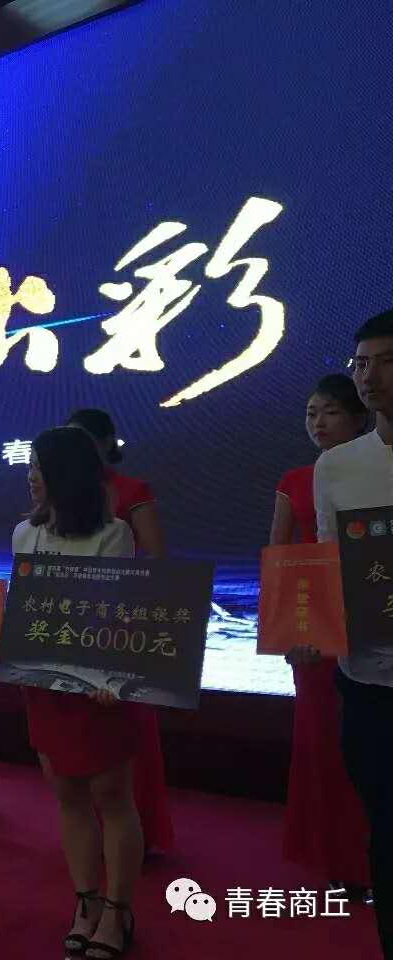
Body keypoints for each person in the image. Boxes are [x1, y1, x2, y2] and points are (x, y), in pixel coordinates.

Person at [14, 427, 142, 959]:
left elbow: (119, 614)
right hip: (46, 687)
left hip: (99, 688)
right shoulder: (25, 534)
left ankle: (118, 911)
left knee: (112, 797)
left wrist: (109, 676)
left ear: (65, 474)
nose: (30, 476)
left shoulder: (113, 534)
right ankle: (85, 903)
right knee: (67, 795)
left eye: (38, 467)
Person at [270, 374, 372, 900]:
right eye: (311, 413)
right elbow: (281, 558)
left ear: (358, 417)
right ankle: (339, 858)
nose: (318, 422)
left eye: (330, 411)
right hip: (316, 630)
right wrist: (290, 631)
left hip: (375, 617)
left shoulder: (377, 469)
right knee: (325, 743)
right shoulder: (295, 479)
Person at [315, 308, 393, 958]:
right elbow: (326, 564)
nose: (370, 376)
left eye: (386, 362)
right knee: (386, 832)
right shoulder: (337, 467)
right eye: (362, 363)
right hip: (367, 682)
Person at [68, 408, 174, 855]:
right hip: (74, 622)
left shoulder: (131, 491)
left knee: (126, 726)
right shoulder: (66, 493)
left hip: (120, 621)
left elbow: (154, 557)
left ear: (105, 443)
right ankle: (93, 833)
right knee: (83, 731)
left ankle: (137, 832)